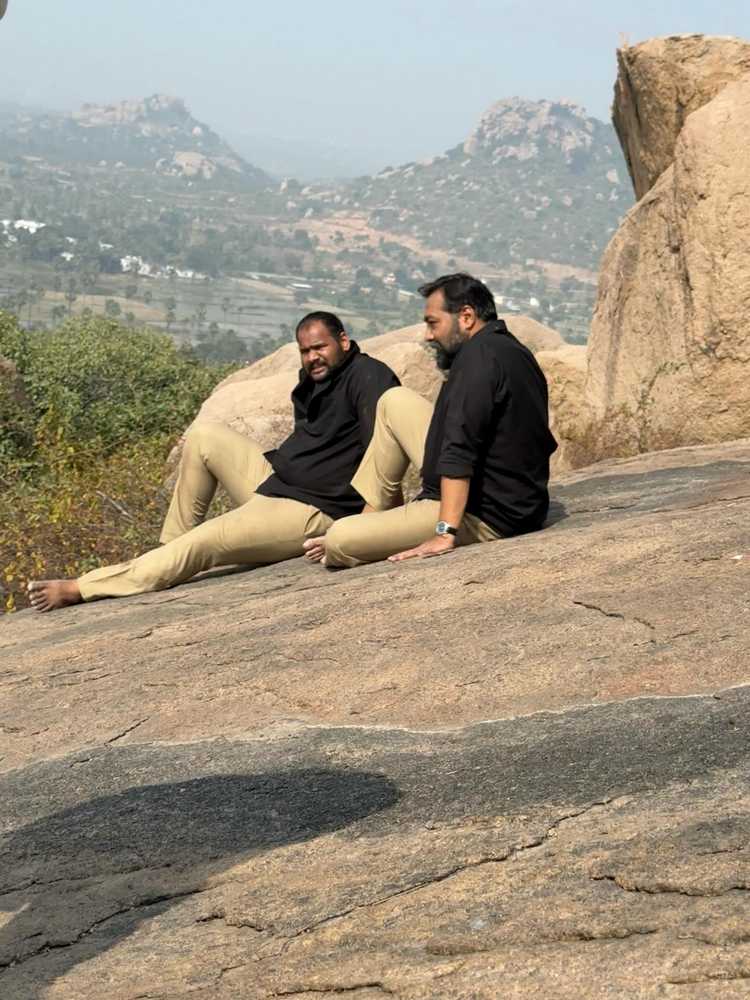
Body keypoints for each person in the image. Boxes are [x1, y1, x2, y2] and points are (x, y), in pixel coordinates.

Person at [27, 312, 400, 611]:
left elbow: (385, 454)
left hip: (315, 507)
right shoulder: (315, 379)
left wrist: (369, 528)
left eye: (320, 347)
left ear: (343, 341)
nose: (312, 357)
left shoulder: (369, 377)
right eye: (305, 350)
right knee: (204, 436)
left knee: (204, 542)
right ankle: (167, 552)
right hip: (280, 485)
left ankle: (84, 587)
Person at [303, 273, 557, 568]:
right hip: (508, 493)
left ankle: (367, 530)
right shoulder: (505, 348)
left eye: (433, 323)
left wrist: (445, 532)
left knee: (340, 538)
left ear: (466, 317)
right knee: (394, 400)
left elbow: (460, 449)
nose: (428, 335)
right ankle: (372, 520)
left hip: (485, 513)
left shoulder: (478, 361)